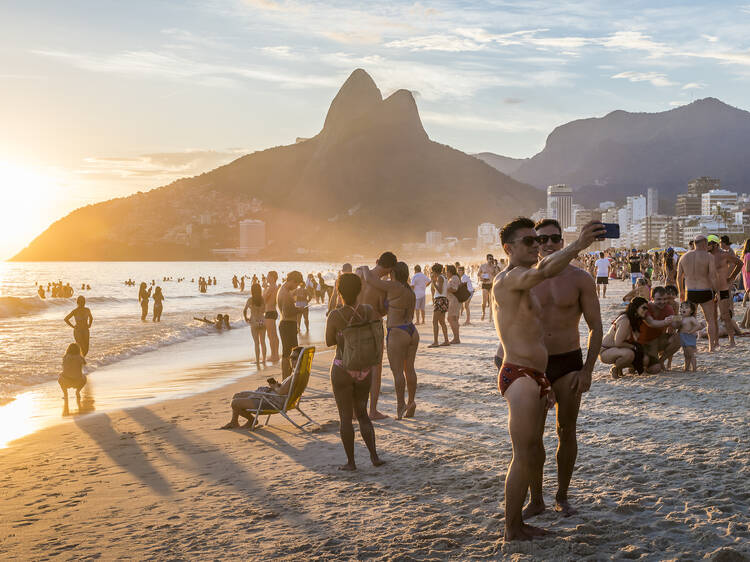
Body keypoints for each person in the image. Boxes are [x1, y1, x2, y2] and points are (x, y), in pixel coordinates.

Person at [493, 217, 604, 541]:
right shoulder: (512, 279)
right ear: (509, 248)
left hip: (545, 370)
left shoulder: (564, 278)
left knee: (552, 438)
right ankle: (515, 525)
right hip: (523, 374)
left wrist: (587, 370)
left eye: (542, 240)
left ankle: (547, 504)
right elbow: (540, 274)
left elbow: (519, 323)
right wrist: (579, 245)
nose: (539, 245)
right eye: (531, 241)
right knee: (526, 452)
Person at [522, 218, 603, 519]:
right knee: (532, 436)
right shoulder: (526, 278)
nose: (547, 245)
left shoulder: (580, 278)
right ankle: (535, 498)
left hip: (569, 360)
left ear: (563, 240)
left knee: (566, 430)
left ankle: (562, 495)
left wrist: (588, 370)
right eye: (540, 240)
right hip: (534, 364)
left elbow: (596, 327)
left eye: (554, 239)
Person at [325, 274, 385, 470]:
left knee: (345, 417)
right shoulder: (368, 311)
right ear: (360, 290)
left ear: (339, 291)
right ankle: (374, 457)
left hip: (343, 368)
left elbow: (329, 341)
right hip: (364, 369)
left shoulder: (335, 315)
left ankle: (351, 462)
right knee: (362, 414)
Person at [365, 262, 419, 419]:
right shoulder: (410, 290)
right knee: (410, 369)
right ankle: (411, 402)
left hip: (397, 332)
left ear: (393, 273)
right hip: (411, 330)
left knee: (397, 372)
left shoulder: (394, 286)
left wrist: (364, 268)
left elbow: (370, 279)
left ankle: (401, 404)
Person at [357, 252, 398, 420]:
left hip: (356, 324)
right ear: (389, 268)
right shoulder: (382, 285)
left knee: (356, 367)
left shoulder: (359, 274)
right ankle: (372, 410)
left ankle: (355, 410)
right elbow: (382, 309)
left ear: (377, 261)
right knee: (375, 368)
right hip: (373, 326)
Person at [677, 235, 720, 352]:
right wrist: (717, 291)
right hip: (705, 290)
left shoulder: (684, 257)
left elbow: (679, 277)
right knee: (710, 320)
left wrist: (681, 291)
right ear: (705, 243)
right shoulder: (709, 256)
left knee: (689, 320)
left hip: (690, 291)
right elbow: (712, 276)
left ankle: (689, 345)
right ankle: (711, 347)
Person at [221, 370, 295, 429]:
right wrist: (276, 386)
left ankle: (251, 420)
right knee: (236, 395)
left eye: (294, 358)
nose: (291, 360)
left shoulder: (294, 376)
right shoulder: (295, 374)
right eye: (291, 357)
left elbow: (282, 392)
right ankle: (234, 422)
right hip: (270, 396)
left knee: (234, 403)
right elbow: (284, 390)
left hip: (271, 401)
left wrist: (275, 387)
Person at [707, 234, 744, 347]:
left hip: (723, 288)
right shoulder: (706, 256)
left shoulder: (724, 255)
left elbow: (740, 263)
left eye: (708, 244)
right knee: (712, 316)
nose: (707, 246)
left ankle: (731, 340)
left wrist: (731, 278)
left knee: (725, 315)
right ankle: (716, 341)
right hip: (711, 289)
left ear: (714, 244)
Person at [600, 297, 649, 378]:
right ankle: (615, 369)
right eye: (644, 308)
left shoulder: (637, 320)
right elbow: (618, 343)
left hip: (619, 349)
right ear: (636, 307)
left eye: (647, 308)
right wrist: (634, 347)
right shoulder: (625, 320)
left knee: (645, 360)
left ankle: (623, 368)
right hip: (606, 350)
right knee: (629, 354)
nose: (646, 310)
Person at [638, 286, 679, 373]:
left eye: (664, 299)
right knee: (649, 368)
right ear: (652, 298)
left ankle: (661, 361)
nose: (662, 302)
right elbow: (651, 323)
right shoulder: (646, 307)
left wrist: (677, 319)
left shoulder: (668, 308)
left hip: (656, 341)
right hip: (642, 343)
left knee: (678, 338)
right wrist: (666, 321)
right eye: (659, 299)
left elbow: (675, 324)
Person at [277, 271, 303, 380]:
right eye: (296, 284)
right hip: (287, 324)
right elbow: (287, 312)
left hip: (287, 324)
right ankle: (286, 378)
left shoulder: (283, 289)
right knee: (289, 354)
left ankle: (288, 378)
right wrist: (299, 310)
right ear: (292, 281)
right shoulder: (285, 293)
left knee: (288, 353)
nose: (296, 287)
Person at [677, 301, 704, 371]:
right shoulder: (680, 317)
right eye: (682, 307)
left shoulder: (691, 318)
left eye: (686, 308)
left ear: (691, 311)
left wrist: (691, 331)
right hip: (682, 336)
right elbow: (671, 319)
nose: (683, 309)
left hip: (689, 337)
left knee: (691, 354)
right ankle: (686, 368)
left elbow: (698, 325)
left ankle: (694, 368)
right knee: (686, 354)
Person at [244, 282, 267, 363]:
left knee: (256, 343)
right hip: (262, 321)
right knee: (263, 342)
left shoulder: (250, 300)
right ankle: (264, 359)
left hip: (254, 321)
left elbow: (245, 310)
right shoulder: (262, 299)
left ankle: (257, 360)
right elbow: (265, 310)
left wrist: (246, 319)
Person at [428, 263, 450, 348]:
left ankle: (436, 342)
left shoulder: (440, 278)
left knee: (435, 321)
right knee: (442, 322)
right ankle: (446, 340)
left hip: (440, 299)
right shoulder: (444, 277)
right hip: (444, 299)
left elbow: (440, 290)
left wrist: (433, 282)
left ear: (435, 271)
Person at [263, 271, 280, 362]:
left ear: (272, 278)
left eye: (268, 276)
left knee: (271, 335)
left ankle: (274, 355)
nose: (267, 278)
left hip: (270, 311)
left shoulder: (272, 287)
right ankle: (275, 354)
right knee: (274, 335)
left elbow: (263, 299)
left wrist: (265, 288)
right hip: (272, 311)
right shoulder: (275, 287)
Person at [445, 264, 461, 344]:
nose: (446, 273)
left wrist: (446, 288)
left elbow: (454, 289)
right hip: (453, 300)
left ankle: (456, 338)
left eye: (446, 271)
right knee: (453, 319)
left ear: (450, 271)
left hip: (454, 301)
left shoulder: (454, 278)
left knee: (451, 318)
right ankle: (456, 337)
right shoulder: (453, 278)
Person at [478, 254, 497, 321]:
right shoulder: (483, 266)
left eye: (492, 258)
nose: (490, 260)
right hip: (485, 284)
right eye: (489, 258)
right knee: (484, 301)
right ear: (487, 259)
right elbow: (478, 274)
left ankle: (490, 317)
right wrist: (482, 278)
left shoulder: (494, 267)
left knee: (492, 301)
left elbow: (496, 275)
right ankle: (483, 313)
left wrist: (495, 268)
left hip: (491, 284)